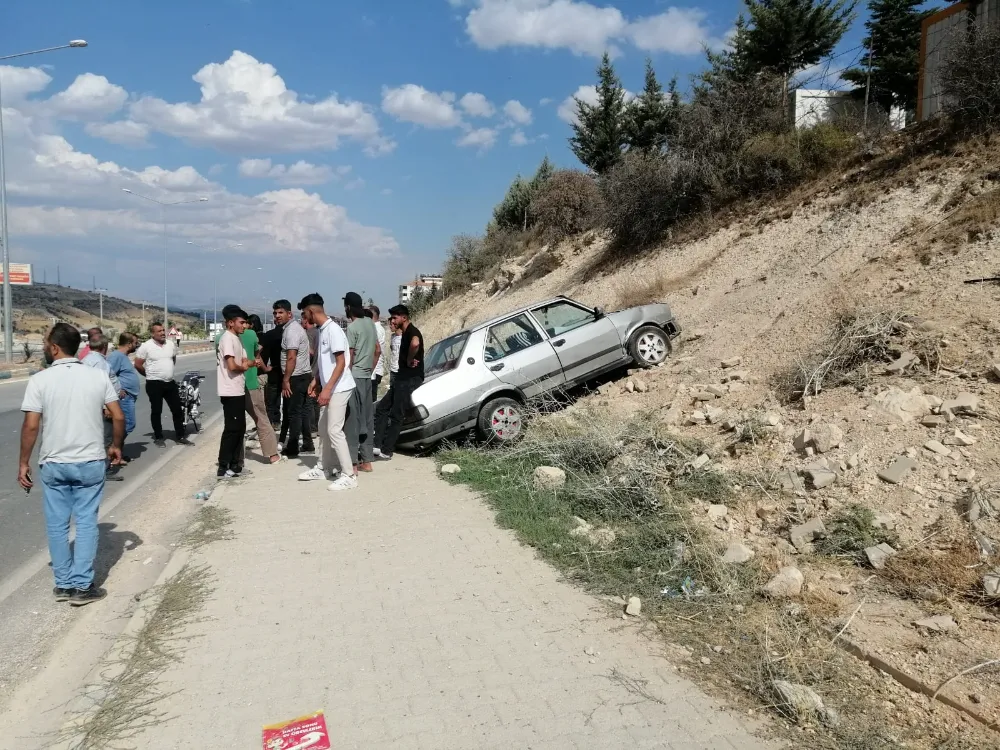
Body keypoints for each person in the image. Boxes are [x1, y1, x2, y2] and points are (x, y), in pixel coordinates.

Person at [19, 323, 124, 606]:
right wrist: (115, 446)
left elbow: (31, 426)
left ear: (54, 348)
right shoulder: (97, 376)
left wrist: (23, 462)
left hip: (53, 463)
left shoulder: (40, 380)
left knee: (57, 525)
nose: (44, 347)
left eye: (45, 343)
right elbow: (118, 415)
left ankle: (63, 584)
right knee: (87, 522)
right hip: (90, 461)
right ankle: (82, 586)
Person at [297, 293, 357, 491]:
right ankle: (325, 468)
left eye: (305, 313)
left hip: (340, 388)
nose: (305, 318)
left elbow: (341, 363)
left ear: (312, 311)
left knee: (334, 430)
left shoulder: (333, 331)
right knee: (323, 429)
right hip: (331, 387)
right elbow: (326, 363)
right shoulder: (322, 330)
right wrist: (316, 381)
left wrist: (327, 390)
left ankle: (349, 475)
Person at [374, 305, 423, 461]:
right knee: (382, 408)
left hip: (410, 378)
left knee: (397, 413)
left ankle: (387, 450)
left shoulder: (412, 331)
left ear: (404, 318)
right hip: (401, 378)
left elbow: (415, 343)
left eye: (395, 317)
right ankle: (377, 445)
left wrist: (409, 359)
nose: (392, 321)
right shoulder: (405, 332)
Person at [343, 292, 380, 473]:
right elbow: (378, 351)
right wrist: (370, 370)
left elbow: (350, 355)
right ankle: (367, 461)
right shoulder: (370, 324)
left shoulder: (352, 327)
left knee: (352, 420)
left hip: (354, 376)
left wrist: (345, 377)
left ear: (348, 307)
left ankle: (352, 463)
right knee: (367, 419)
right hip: (366, 376)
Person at [134, 323, 188, 445]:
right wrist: (149, 375)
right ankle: (158, 437)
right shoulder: (146, 346)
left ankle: (180, 436)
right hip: (154, 384)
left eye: (163, 330)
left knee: (177, 410)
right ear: (152, 334)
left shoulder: (170, 344)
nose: (162, 333)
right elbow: (137, 364)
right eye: (159, 331)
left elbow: (173, 359)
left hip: (170, 383)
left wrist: (167, 371)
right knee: (157, 410)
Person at [81, 333, 124, 481]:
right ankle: (104, 469)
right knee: (105, 437)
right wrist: (107, 407)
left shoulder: (86, 360)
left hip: (93, 405)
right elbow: (101, 386)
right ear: (104, 347)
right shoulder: (100, 363)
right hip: (104, 406)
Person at [275, 300, 315, 458]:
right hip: (303, 375)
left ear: (289, 314)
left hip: (296, 377)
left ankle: (292, 447)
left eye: (281, 313)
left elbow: (291, 357)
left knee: (293, 413)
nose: (277, 316)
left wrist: (286, 380)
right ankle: (307, 443)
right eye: (275, 313)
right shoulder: (295, 328)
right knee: (303, 411)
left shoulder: (291, 331)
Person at [216, 305, 252, 478]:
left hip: (238, 389)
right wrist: (243, 366)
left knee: (239, 428)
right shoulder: (227, 339)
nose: (244, 326)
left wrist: (252, 363)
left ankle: (235, 465)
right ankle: (224, 466)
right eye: (242, 322)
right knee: (232, 429)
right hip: (230, 391)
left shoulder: (237, 339)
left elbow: (244, 361)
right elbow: (232, 366)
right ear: (231, 323)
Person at [242, 314, 280, 465]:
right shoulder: (253, 336)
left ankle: (235, 458)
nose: (245, 326)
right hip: (253, 381)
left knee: (235, 423)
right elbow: (258, 357)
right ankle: (272, 454)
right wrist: (266, 368)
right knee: (261, 416)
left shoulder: (222, 338)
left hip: (234, 386)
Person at [106, 333, 141, 461]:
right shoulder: (116, 356)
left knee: (126, 424)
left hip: (129, 397)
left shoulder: (123, 356)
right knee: (128, 424)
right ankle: (113, 449)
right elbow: (107, 375)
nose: (137, 345)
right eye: (135, 343)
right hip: (124, 398)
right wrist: (119, 390)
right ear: (129, 343)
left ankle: (118, 452)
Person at [260, 307, 285, 430]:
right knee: (288, 400)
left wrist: (265, 368)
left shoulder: (269, 335)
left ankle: (274, 422)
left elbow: (260, 354)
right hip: (289, 371)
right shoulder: (291, 333)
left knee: (272, 400)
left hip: (274, 369)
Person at [370, 305, 387, 402]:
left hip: (374, 370)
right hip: (377, 369)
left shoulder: (375, 329)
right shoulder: (379, 328)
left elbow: (376, 350)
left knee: (371, 400)